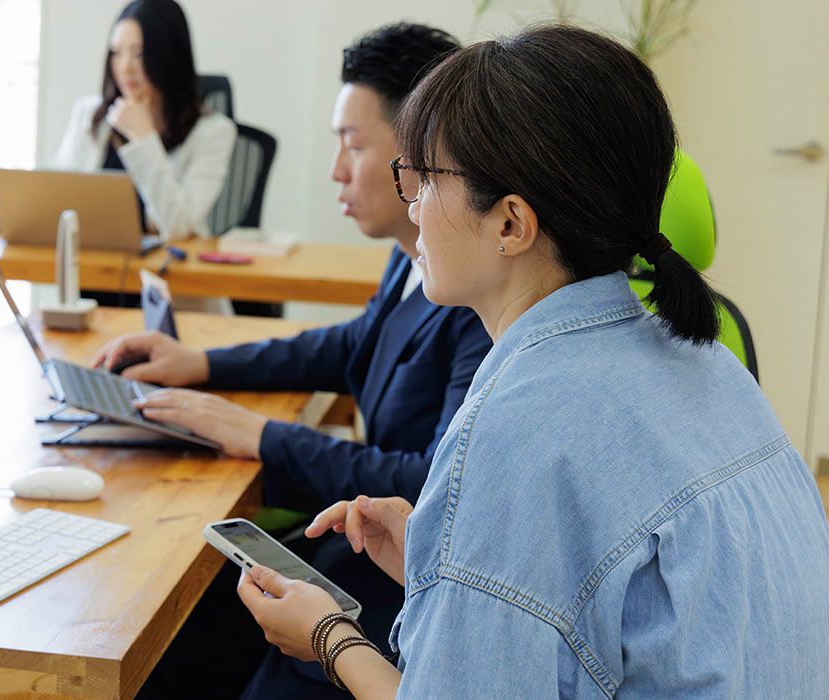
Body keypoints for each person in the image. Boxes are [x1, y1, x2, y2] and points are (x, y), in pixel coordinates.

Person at [235, 25, 829, 698]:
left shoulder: (517, 430)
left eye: (425, 178)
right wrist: (450, 562)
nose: (413, 204)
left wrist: (328, 637)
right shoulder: (713, 368)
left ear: (511, 224)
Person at [96, 24, 490, 699]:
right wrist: (203, 364)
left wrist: (264, 436)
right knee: (166, 621)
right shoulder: (410, 258)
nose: (336, 169)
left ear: (423, 150)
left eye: (353, 145)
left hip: (388, 593)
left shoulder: (474, 297)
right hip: (364, 552)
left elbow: (433, 483)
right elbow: (348, 346)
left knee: (174, 624)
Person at [52, 0, 236, 243]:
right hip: (91, 267)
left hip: (167, 274)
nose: (125, 67)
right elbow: (56, 197)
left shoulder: (213, 132)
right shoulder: (90, 114)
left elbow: (177, 227)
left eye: (138, 53)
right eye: (117, 52)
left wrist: (144, 137)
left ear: (169, 56)